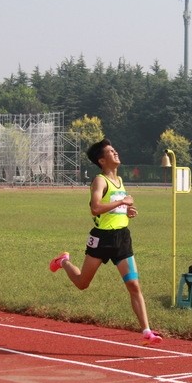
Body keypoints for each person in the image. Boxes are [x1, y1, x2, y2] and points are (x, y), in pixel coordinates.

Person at [49, 138, 162, 346]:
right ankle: (64, 261)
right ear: (102, 160)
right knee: (83, 283)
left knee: (134, 285)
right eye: (111, 151)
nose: (116, 153)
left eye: (115, 149)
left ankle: (147, 331)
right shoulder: (100, 180)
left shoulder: (119, 181)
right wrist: (122, 201)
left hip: (122, 239)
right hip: (101, 239)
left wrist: (127, 211)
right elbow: (95, 208)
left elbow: (114, 209)